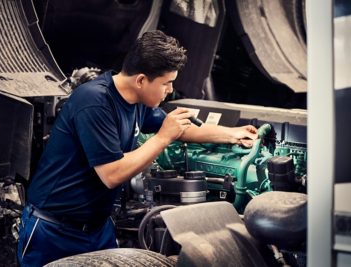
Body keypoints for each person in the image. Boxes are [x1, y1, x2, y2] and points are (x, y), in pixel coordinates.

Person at [17, 30, 258, 266]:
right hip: (54, 231)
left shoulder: (137, 101)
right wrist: (162, 137)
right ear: (141, 80)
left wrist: (232, 134)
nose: (170, 90)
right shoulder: (93, 101)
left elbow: (179, 129)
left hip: (97, 229)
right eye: (167, 83)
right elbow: (111, 174)